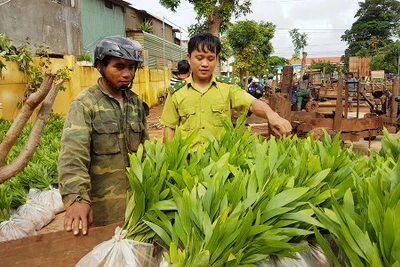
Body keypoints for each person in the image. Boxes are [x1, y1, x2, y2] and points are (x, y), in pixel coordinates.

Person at [58, 36, 149, 236]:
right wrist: (76, 199)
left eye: (132, 67)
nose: (127, 74)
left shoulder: (136, 104)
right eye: (119, 66)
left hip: (137, 209)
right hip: (102, 213)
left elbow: (146, 152)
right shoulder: (85, 104)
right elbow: (73, 156)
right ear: (100, 65)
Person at [160, 33, 292, 149]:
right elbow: (169, 129)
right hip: (188, 164)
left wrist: (271, 114)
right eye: (199, 58)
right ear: (189, 58)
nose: (205, 64)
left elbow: (252, 103)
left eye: (210, 58)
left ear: (217, 60)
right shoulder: (177, 93)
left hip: (220, 163)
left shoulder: (227, 88)